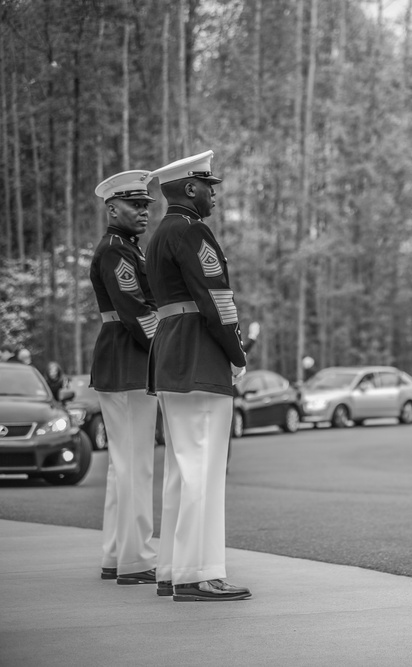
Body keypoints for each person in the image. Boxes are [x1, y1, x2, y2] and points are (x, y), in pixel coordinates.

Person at [146, 150, 251, 601]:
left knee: (180, 469)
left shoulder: (157, 235)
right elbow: (216, 300)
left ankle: (172, 569)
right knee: (203, 470)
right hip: (200, 355)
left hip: (171, 352)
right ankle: (199, 574)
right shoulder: (193, 232)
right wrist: (237, 353)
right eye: (209, 186)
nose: (213, 194)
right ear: (190, 188)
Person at [90, 169, 161, 585]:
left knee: (123, 465)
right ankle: (136, 559)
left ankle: (117, 554)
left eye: (146, 206)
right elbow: (137, 311)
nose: (143, 212)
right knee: (136, 464)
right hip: (130, 361)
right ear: (111, 207)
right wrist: (165, 349)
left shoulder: (125, 248)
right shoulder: (117, 251)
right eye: (134, 205)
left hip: (121, 361)